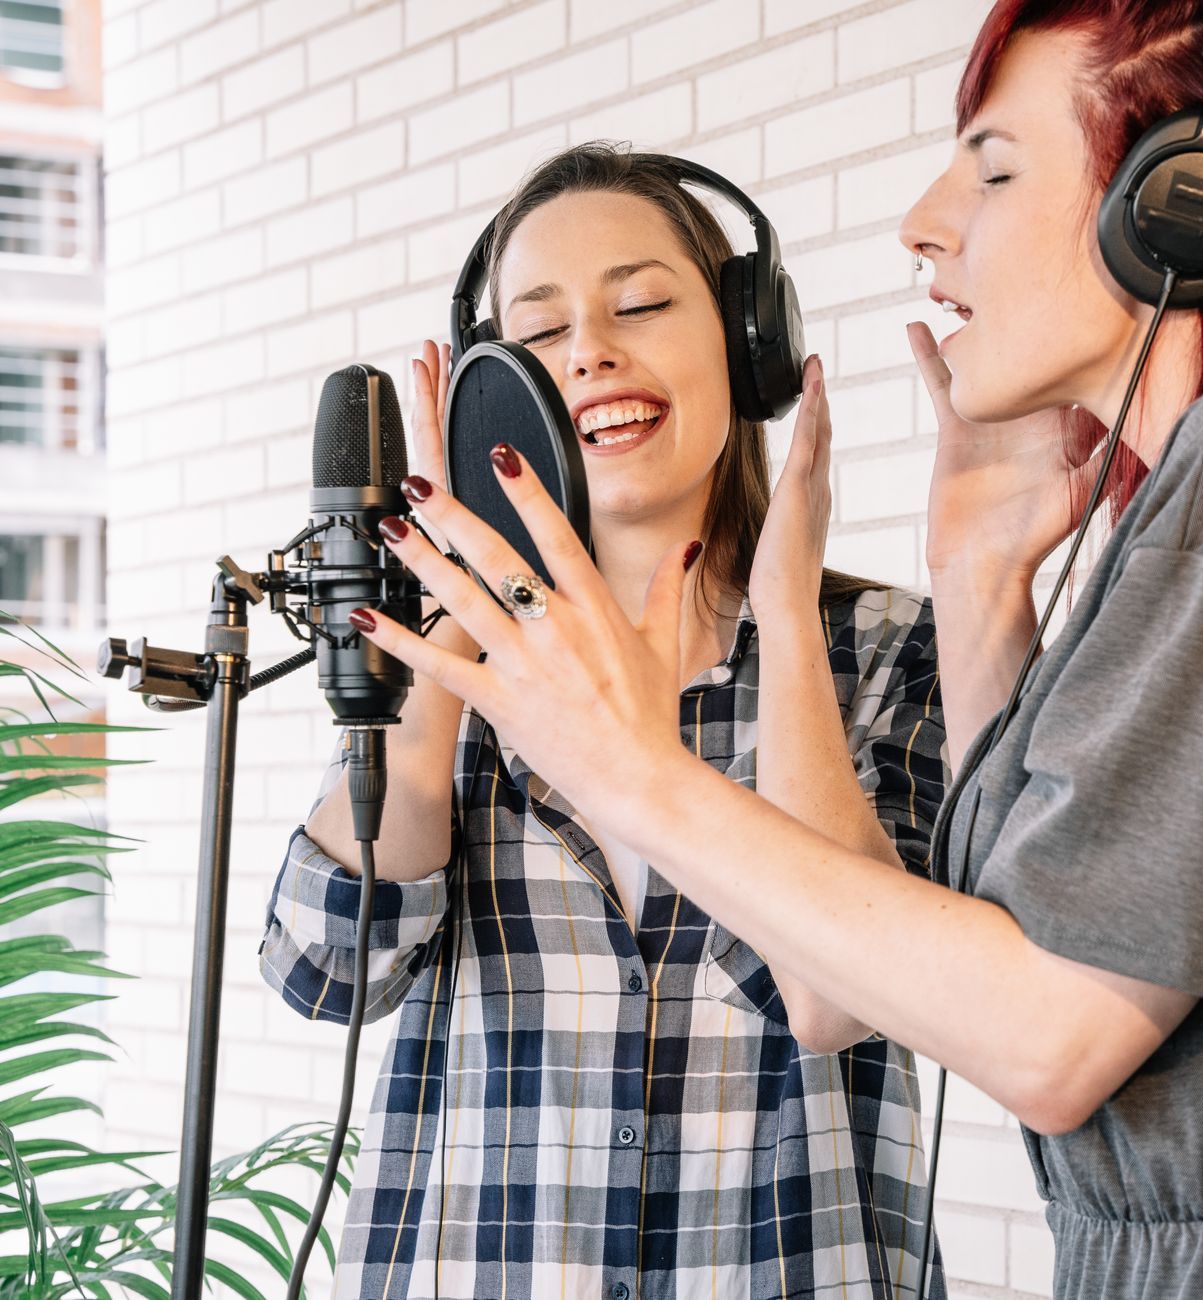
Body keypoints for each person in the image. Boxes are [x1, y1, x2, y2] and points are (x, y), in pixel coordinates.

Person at [349, 3, 1203, 1297]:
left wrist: (636, 768)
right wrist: (982, 584)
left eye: (997, 165)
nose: (925, 219)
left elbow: (1043, 1035)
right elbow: (1040, 932)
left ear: (1185, 202)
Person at [259, 145, 948, 1299]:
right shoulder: (452, 669)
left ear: (746, 344)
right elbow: (329, 969)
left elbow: (853, 994)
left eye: (640, 303)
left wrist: (784, 615)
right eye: (537, 336)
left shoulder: (883, 647)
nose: (589, 351)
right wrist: (450, 612)